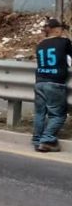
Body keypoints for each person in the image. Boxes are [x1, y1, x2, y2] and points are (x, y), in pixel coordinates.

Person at [32, 17, 72, 153]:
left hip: (40, 82)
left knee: (39, 113)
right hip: (55, 83)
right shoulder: (64, 42)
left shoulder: (40, 44)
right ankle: (47, 140)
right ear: (57, 29)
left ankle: (37, 140)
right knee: (58, 115)